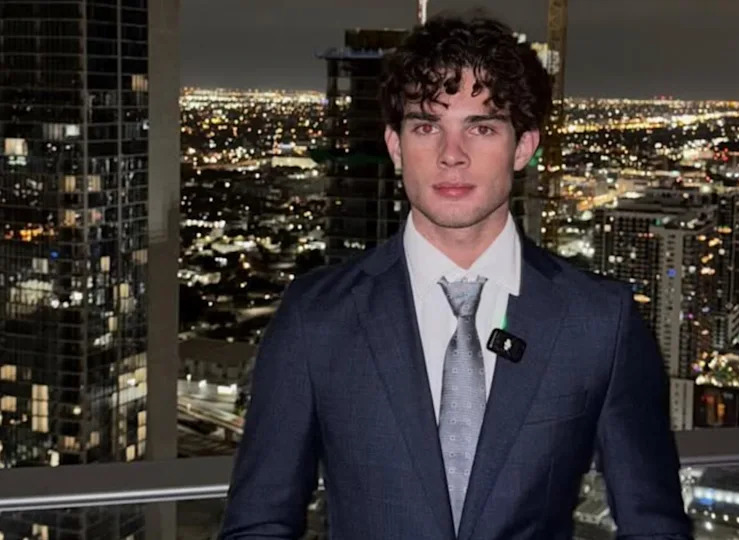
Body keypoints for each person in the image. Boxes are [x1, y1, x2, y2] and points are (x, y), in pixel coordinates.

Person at [219, 14, 691, 540]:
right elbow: (258, 523)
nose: (451, 155)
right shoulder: (316, 317)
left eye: (481, 127)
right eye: (426, 127)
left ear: (523, 146)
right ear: (396, 146)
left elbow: (655, 526)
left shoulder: (600, 323)